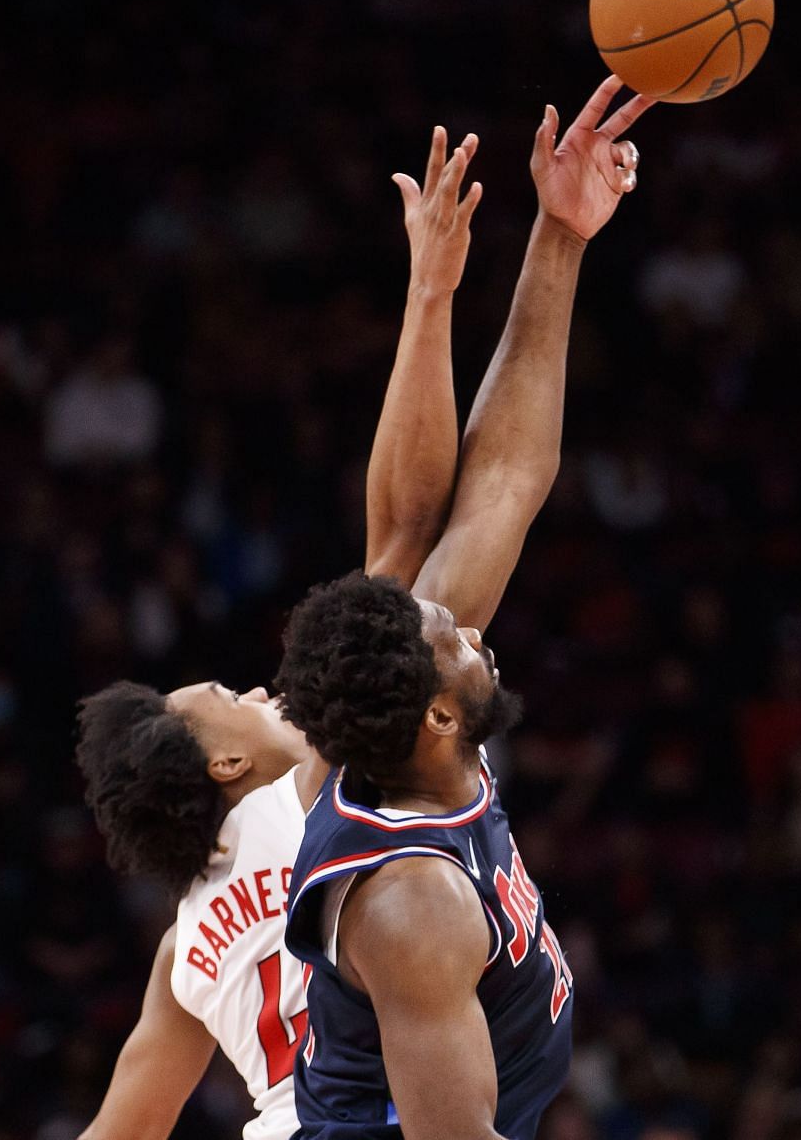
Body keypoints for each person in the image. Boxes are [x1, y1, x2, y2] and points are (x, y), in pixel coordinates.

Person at [74, 76, 648, 1140]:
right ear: (227, 768)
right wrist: (435, 293)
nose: (259, 687)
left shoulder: (185, 947)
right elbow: (436, 510)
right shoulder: (329, 797)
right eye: (230, 696)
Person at [272, 77, 651, 1140]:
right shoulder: (414, 905)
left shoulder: (399, 719)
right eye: (455, 640)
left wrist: (558, 237)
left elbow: (489, 488)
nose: (468, 623)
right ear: (440, 716)